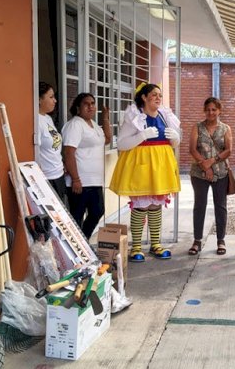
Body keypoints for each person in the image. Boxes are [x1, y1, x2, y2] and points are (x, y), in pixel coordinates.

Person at [109, 83, 181, 262]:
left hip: (161, 167)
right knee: (141, 207)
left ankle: (156, 244)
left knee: (156, 205)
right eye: (154, 94)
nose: (158, 98)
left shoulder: (165, 116)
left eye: (160, 95)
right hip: (140, 167)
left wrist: (176, 138)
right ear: (144, 97)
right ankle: (136, 247)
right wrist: (141, 135)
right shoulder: (135, 117)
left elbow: (173, 144)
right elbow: (122, 143)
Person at [61, 93, 112, 240]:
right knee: (77, 217)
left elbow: (107, 139)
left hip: (94, 181)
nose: (90, 106)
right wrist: (76, 179)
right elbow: (68, 152)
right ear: (78, 107)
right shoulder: (75, 125)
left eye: (93, 103)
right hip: (80, 182)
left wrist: (105, 118)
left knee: (98, 211)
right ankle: (77, 247)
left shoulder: (93, 125)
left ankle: (83, 242)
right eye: (86, 104)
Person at [188, 97, 232, 256]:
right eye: (208, 109)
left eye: (214, 109)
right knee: (199, 205)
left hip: (221, 173)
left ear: (219, 111)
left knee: (221, 206)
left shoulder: (225, 128)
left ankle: (221, 240)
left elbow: (228, 150)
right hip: (198, 173)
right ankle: (197, 240)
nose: (211, 112)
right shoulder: (197, 127)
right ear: (204, 110)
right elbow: (192, 149)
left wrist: (211, 162)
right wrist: (204, 166)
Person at [36, 82, 66, 200]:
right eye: (51, 97)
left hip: (59, 174)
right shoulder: (36, 121)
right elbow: (36, 152)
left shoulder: (48, 118)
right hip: (47, 178)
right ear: (39, 99)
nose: (55, 101)